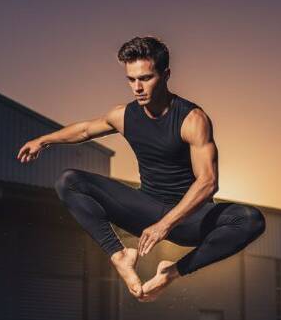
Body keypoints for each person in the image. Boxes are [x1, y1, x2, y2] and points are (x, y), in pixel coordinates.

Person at [16, 36, 266, 302]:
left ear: (166, 75)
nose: (137, 87)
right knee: (69, 181)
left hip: (189, 218)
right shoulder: (124, 115)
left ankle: (170, 272)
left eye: (146, 78)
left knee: (251, 220)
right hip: (145, 208)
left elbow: (207, 182)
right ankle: (120, 255)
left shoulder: (192, 119)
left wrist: (164, 225)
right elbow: (85, 130)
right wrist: (43, 140)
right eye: (131, 79)